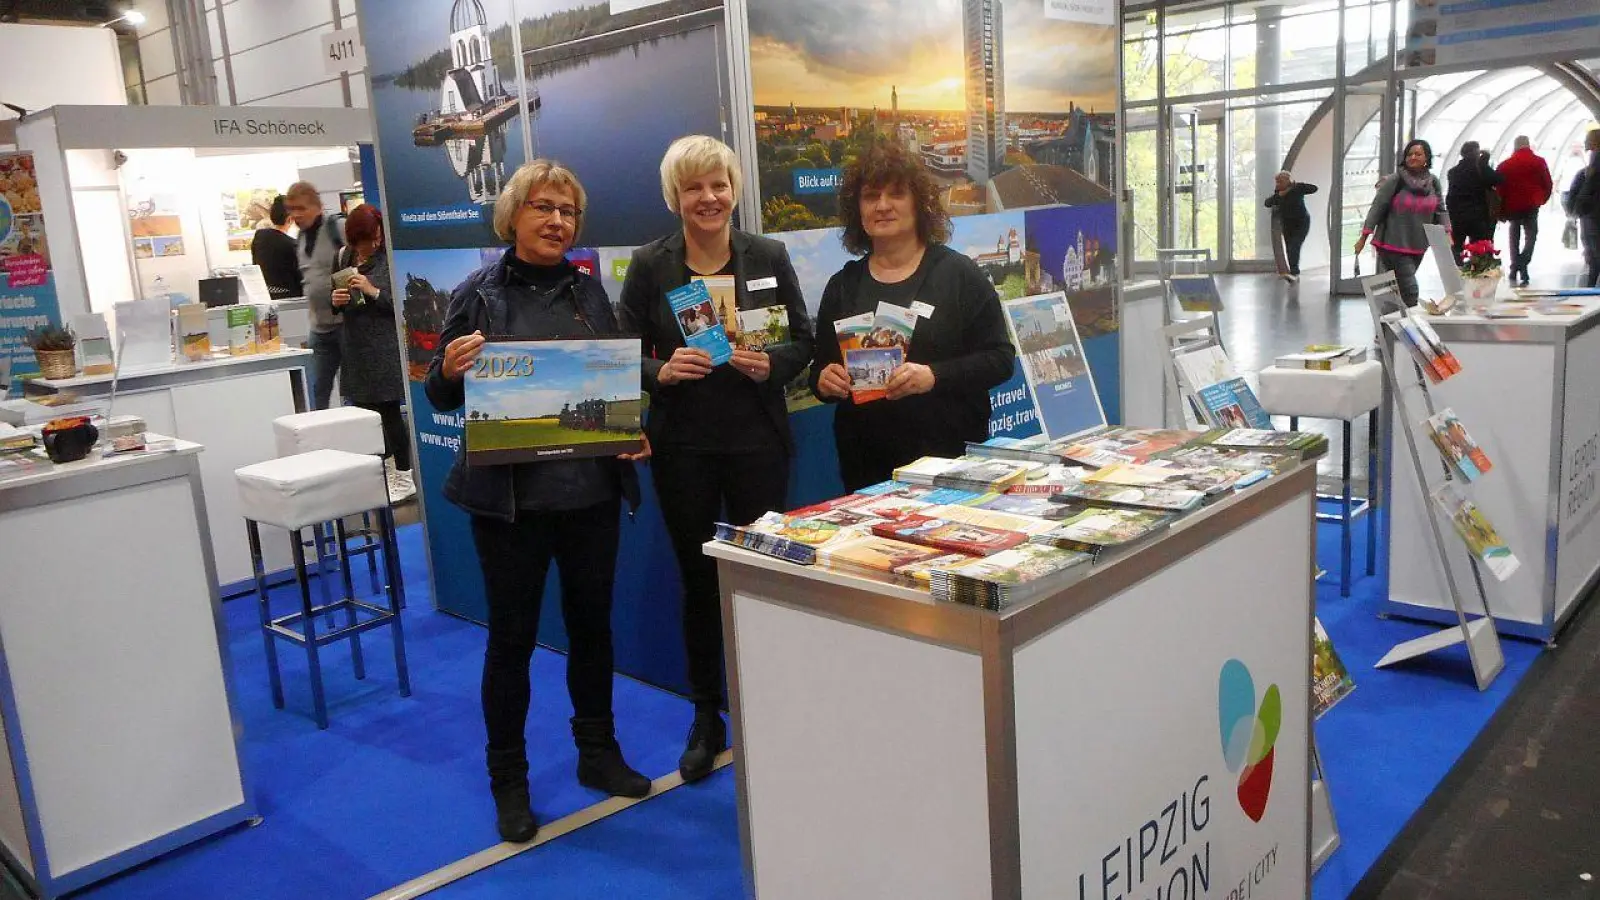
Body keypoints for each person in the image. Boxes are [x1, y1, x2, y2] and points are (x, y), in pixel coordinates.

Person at [425, 160, 654, 844]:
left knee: (593, 629)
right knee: (513, 642)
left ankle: (597, 754)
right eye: (544, 207)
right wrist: (448, 368)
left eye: (569, 212)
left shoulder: (591, 294)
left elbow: (612, 377)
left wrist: (629, 424)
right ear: (514, 216)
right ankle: (510, 781)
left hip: (590, 495)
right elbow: (439, 394)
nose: (558, 221)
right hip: (511, 504)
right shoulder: (475, 293)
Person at [617, 135, 814, 783]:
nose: (709, 198)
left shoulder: (769, 254)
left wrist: (773, 364)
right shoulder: (651, 266)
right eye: (695, 187)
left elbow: (804, 342)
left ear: (734, 189)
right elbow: (619, 354)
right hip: (686, 449)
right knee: (700, 584)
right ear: (675, 197)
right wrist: (660, 368)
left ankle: (772, 701)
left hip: (758, 441)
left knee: (763, 578)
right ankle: (708, 715)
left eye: (719, 184)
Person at [809, 139, 1016, 490]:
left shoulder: (959, 275)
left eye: (896, 194)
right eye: (871, 196)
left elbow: (1000, 359)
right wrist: (824, 382)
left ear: (918, 204)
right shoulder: (843, 285)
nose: (883, 206)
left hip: (947, 463)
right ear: (857, 209)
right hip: (866, 467)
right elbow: (822, 369)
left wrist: (933, 375)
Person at [330, 204, 413, 502]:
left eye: (375, 237)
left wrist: (372, 290)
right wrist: (336, 300)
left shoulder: (391, 256)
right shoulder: (342, 257)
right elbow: (336, 305)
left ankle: (405, 475)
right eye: (365, 240)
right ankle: (387, 470)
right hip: (356, 347)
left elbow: (402, 306)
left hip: (385, 347)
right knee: (367, 415)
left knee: (389, 412)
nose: (372, 244)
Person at [1355, 139, 1451, 308]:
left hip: (1418, 243)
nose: (1413, 157)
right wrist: (1364, 237)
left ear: (1427, 158)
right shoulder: (1395, 180)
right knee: (1410, 289)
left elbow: (1440, 210)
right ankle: (1412, 327)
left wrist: (1447, 233)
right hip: (1393, 244)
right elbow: (1378, 207)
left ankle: (1389, 325)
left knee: (1399, 287)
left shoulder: (1433, 182)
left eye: (1418, 154)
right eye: (1409, 154)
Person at [286, 181, 345, 409]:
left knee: (353, 388)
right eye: (291, 209)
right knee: (318, 390)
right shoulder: (300, 238)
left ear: (317, 207)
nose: (296, 215)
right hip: (319, 327)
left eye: (301, 208)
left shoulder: (336, 227)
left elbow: (363, 259)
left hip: (345, 323)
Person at [1495, 136, 1553, 286]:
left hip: (1512, 206)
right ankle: (1523, 262)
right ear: (1528, 145)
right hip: (1531, 205)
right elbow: (1548, 183)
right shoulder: (1539, 162)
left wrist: (1500, 210)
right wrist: (1542, 199)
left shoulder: (1504, 165)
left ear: (1515, 146)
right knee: (1531, 236)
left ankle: (1515, 266)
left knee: (1514, 236)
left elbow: (1499, 190)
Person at [1445, 141, 1500, 264]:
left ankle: (1457, 271)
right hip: (1478, 215)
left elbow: (1451, 196)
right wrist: (1485, 161)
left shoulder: (1453, 172)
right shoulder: (1480, 170)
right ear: (1476, 153)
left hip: (1458, 216)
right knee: (1479, 248)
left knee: (1457, 246)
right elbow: (1497, 179)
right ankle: (1477, 272)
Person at [1263, 171, 1318, 282]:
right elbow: (1267, 203)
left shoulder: (1297, 188)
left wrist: (1296, 186)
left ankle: (1294, 272)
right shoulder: (1278, 193)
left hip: (1301, 223)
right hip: (1287, 224)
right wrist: (1279, 196)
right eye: (1277, 182)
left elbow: (1314, 188)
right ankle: (1293, 272)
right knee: (1289, 248)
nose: (1278, 184)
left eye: (1280, 181)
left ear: (1288, 180)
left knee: (1295, 245)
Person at [251, 195, 303, 299]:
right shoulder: (291, 245)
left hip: (266, 296)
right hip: (291, 299)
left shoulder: (259, 238)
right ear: (290, 219)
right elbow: (300, 277)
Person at [1570, 129, 1600, 288]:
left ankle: (1591, 286)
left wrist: (1577, 209)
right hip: (1592, 212)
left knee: (1593, 250)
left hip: (1592, 213)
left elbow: (1587, 187)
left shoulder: (1594, 162)